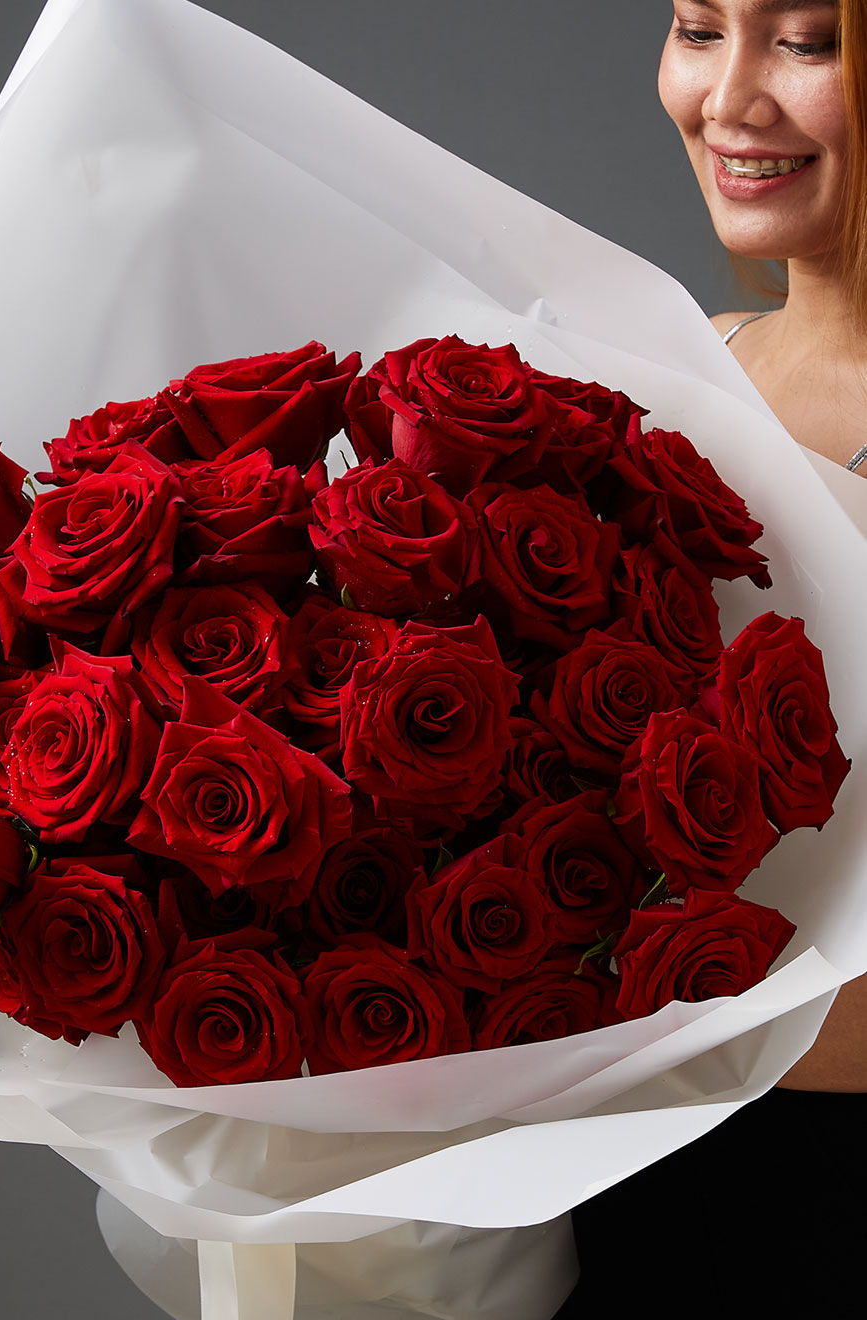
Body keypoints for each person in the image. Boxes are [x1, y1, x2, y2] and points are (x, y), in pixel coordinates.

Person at [558, 3, 867, 1314]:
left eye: (802, 42)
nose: (728, 98)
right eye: (697, 28)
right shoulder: (655, 387)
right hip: (643, 1186)